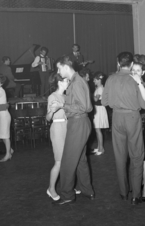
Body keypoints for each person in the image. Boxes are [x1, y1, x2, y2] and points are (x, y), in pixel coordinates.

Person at [102, 52, 145, 205]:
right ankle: (136, 195)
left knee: (120, 156)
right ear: (131, 64)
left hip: (117, 118)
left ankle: (123, 192)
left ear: (118, 62)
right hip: (133, 118)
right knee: (137, 156)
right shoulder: (134, 79)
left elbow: (104, 102)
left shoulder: (111, 78)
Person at [52, 55, 94, 205]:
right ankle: (86, 190)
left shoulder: (76, 83)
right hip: (80, 123)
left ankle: (67, 194)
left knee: (68, 161)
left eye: (58, 67)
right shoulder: (76, 81)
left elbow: (85, 107)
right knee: (81, 160)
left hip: (78, 123)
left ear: (65, 66)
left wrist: (62, 106)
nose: (58, 71)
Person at [130, 61, 145, 202]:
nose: (135, 72)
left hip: (144, 121)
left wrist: (139, 82)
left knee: (144, 156)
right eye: (133, 70)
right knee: (133, 155)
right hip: (131, 122)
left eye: (138, 70)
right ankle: (137, 182)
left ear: (143, 72)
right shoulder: (129, 86)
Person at [46, 73, 69, 201]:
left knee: (67, 160)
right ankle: (51, 188)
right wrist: (52, 111)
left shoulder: (66, 96)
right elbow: (48, 118)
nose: (68, 83)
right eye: (66, 81)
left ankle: (68, 186)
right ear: (59, 82)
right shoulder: (52, 97)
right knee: (59, 161)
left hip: (67, 127)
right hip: (57, 128)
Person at [92, 71, 109, 156]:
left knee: (98, 130)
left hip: (99, 109)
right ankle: (99, 147)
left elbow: (95, 99)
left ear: (99, 80)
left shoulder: (99, 89)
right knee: (97, 129)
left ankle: (101, 149)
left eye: (94, 79)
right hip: (98, 109)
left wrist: (89, 94)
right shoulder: (99, 88)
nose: (93, 81)